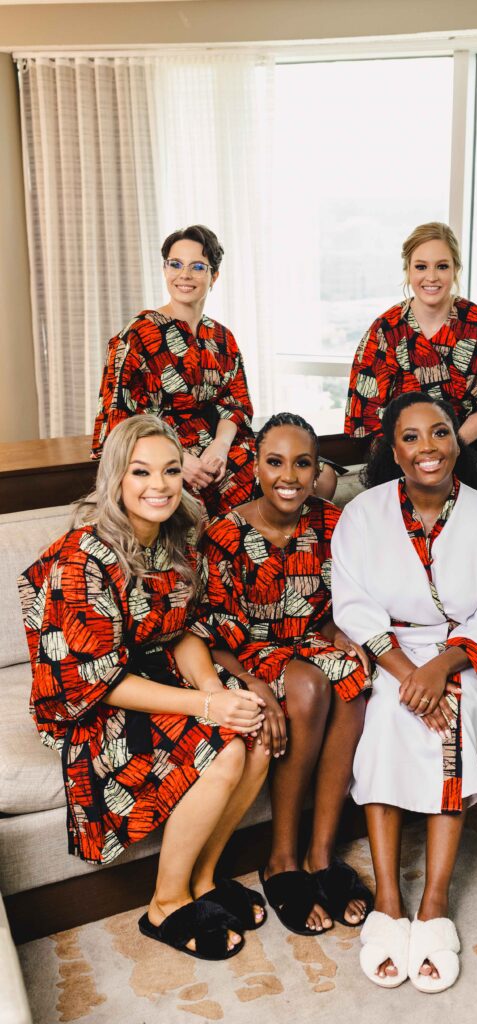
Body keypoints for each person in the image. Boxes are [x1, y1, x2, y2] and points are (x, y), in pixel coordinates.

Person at [19, 416, 271, 960]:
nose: (158, 485)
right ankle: (165, 903)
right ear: (114, 477)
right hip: (85, 703)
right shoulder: (81, 557)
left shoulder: (179, 535)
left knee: (259, 728)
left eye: (171, 471)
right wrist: (207, 704)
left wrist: (216, 689)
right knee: (224, 749)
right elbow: (97, 680)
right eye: (141, 471)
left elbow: (181, 631)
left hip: (155, 674)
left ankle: (204, 880)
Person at [331, 392, 477, 992]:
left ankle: (434, 901)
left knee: (451, 726)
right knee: (386, 717)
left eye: (439, 433)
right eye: (411, 438)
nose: (428, 448)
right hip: (390, 654)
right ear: (394, 451)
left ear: (456, 442)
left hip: (460, 652)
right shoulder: (362, 514)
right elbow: (354, 605)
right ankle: (389, 896)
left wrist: (441, 668)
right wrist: (405, 671)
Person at [194, 412, 373, 938]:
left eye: (303, 463)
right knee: (311, 684)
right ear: (254, 466)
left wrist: (344, 635)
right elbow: (208, 635)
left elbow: (343, 603)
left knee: (354, 676)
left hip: (306, 642)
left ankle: (321, 854)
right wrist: (253, 689)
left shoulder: (332, 522)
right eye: (275, 462)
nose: (289, 476)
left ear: (318, 469)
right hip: (242, 655)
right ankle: (281, 858)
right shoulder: (224, 534)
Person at [91, 224, 256, 516]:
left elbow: (236, 403)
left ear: (213, 275)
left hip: (221, 452)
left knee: (313, 479)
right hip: (160, 460)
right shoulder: (136, 336)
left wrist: (219, 445)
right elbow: (119, 423)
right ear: (165, 269)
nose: (184, 275)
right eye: (175, 264)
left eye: (197, 267)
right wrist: (176, 458)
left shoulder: (221, 337)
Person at [344, 221, 477, 469]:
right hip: (404, 459)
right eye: (421, 266)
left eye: (442, 266)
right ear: (408, 270)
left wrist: (451, 445)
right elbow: (367, 413)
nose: (431, 277)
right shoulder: (385, 331)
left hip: (469, 452)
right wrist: (412, 454)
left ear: (455, 269)